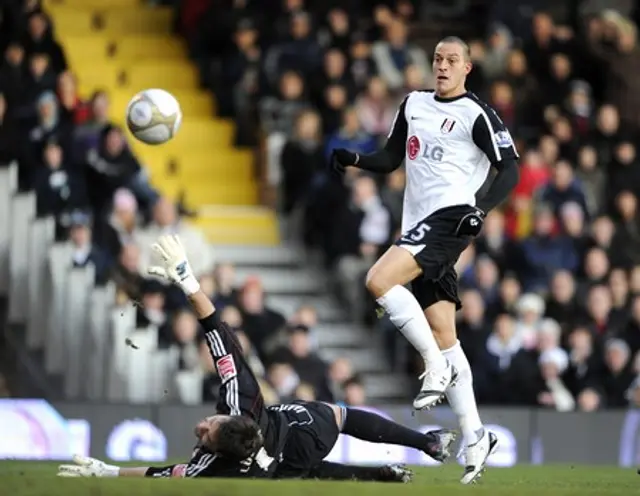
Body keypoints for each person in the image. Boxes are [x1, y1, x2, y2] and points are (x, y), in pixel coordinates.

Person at [57, 235, 456, 482]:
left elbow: (160, 473)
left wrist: (110, 471)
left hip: (282, 465)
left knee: (305, 472)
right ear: (227, 425)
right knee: (341, 416)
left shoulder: (213, 465)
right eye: (205, 430)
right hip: (302, 431)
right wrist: (188, 280)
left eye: (204, 431)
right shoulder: (242, 398)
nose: (201, 425)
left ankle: (383, 474)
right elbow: (218, 330)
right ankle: (426, 444)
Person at [330, 36, 520, 484]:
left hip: (450, 218)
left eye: (452, 60)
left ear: (467, 68)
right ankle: (477, 434)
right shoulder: (413, 103)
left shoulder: (476, 114)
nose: (443, 66)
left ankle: (431, 365)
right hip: (417, 226)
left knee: (378, 280)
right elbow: (393, 157)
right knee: (445, 334)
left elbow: (509, 167)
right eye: (437, 58)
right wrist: (356, 157)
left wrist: (480, 210)